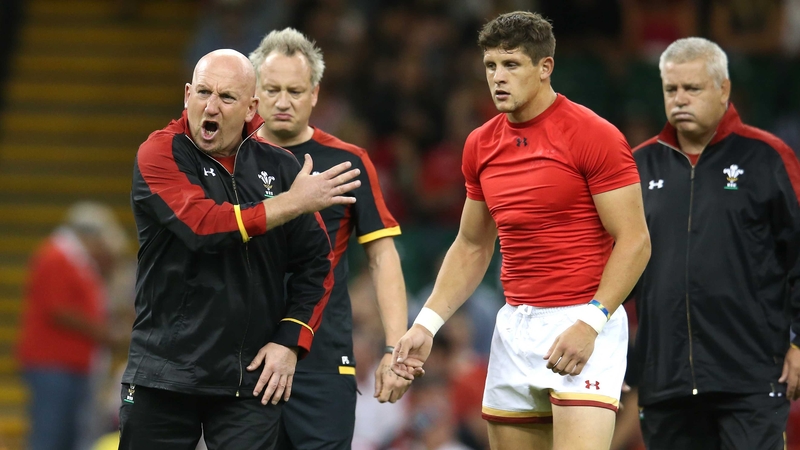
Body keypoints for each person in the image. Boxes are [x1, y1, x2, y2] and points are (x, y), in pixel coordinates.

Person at [392, 11, 651, 450]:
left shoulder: (594, 135)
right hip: (515, 325)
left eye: (511, 64)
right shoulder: (480, 144)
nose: (498, 77)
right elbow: (472, 245)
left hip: (584, 319)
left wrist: (591, 323)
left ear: (545, 67)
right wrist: (427, 324)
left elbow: (636, 241)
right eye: (491, 65)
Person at [119, 49, 362, 449]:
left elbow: (317, 264)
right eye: (203, 92)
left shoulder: (282, 167)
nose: (211, 106)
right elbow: (203, 226)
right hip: (163, 373)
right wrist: (292, 203)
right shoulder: (159, 153)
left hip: (249, 379)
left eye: (227, 97)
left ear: (251, 107)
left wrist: (289, 341)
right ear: (187, 95)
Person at [630, 36, 800, 450]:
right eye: (671, 89)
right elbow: (611, 262)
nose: (680, 99)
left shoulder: (767, 157)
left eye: (692, 88)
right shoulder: (637, 165)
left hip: (752, 377)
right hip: (665, 380)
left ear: (723, 89)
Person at [248, 28, 410, 449]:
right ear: (255, 92)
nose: (283, 101)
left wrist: (394, 349)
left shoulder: (347, 161)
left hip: (322, 361)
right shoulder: (230, 160)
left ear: (315, 94)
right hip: (245, 358)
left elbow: (383, 257)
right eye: (273, 89)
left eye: (295, 91)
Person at [16, 201, 128, 450]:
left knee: (68, 436)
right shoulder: (56, 256)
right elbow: (58, 310)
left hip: (71, 363)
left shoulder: (75, 261)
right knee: (51, 434)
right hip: (53, 363)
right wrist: (104, 333)